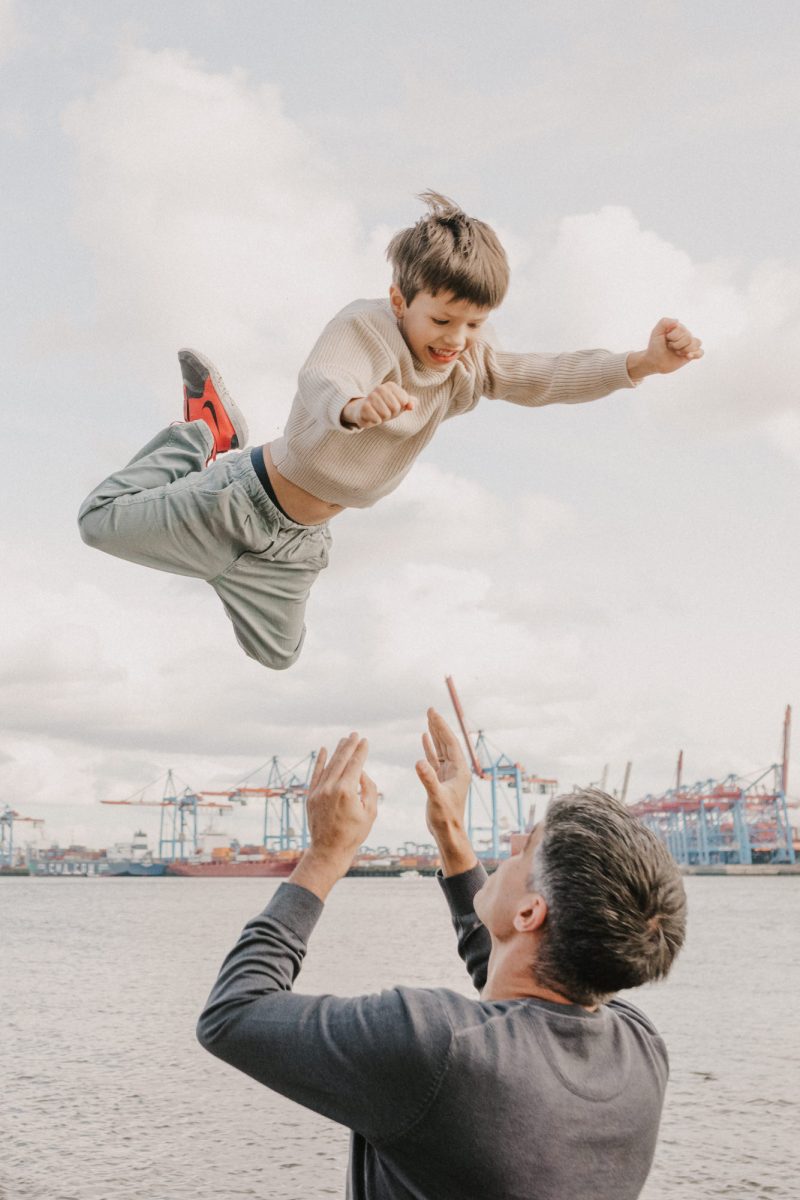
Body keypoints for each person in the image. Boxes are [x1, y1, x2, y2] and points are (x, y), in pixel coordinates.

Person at [78, 193, 703, 669]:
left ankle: (221, 565)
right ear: (401, 301)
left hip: (295, 544)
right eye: (442, 320)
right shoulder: (365, 328)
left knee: (278, 656)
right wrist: (354, 407)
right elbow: (325, 377)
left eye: (475, 324)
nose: (456, 339)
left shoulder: (468, 361)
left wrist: (641, 364)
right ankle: (203, 434)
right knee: (97, 521)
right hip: (242, 500)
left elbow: (542, 375)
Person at [197, 709, 687, 1199]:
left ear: (528, 913)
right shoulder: (642, 1050)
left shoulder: (434, 1046)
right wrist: (450, 833)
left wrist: (326, 855)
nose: (512, 847)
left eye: (524, 852)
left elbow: (233, 1013)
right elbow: (518, 993)